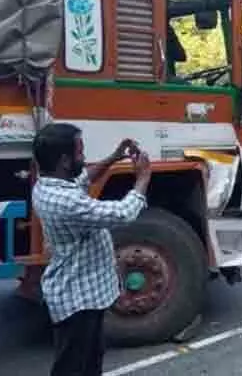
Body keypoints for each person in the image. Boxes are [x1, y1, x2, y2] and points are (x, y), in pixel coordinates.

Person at [32, 123, 151, 376]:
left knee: (91, 360)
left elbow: (83, 178)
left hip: (86, 294)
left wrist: (114, 157)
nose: (84, 158)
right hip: (77, 300)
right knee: (73, 367)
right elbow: (123, 213)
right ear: (64, 161)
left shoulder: (50, 185)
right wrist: (142, 179)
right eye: (80, 153)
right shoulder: (67, 201)